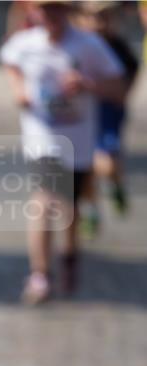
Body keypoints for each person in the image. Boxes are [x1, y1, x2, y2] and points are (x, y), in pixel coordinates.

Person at [0, 0, 126, 305]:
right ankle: (40, 273)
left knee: (70, 206)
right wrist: (19, 90)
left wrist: (88, 84)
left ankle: (69, 255)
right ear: (34, 13)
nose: (51, 15)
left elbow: (119, 89)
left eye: (57, 8)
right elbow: (10, 62)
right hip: (41, 138)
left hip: (79, 139)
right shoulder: (24, 43)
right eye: (45, 9)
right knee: (44, 200)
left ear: (67, 11)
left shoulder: (89, 45)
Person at [77, 0, 139, 236]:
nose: (98, 23)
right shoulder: (77, 45)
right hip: (81, 115)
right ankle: (90, 209)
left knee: (106, 163)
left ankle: (114, 183)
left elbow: (125, 88)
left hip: (108, 113)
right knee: (84, 169)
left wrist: (96, 88)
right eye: (92, 17)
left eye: (104, 17)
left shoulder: (119, 48)